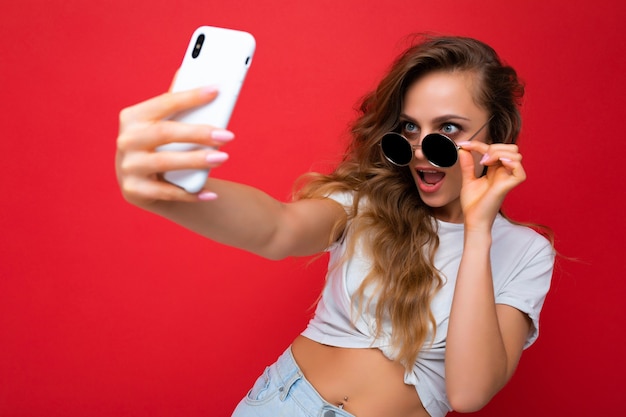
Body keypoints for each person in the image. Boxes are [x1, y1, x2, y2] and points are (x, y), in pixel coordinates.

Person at [115, 34, 555, 417]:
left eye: (448, 130)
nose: (421, 152)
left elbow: (469, 393)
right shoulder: (365, 201)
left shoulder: (526, 252)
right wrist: (171, 191)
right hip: (283, 406)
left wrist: (478, 231)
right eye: (408, 129)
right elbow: (278, 228)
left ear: (496, 133)